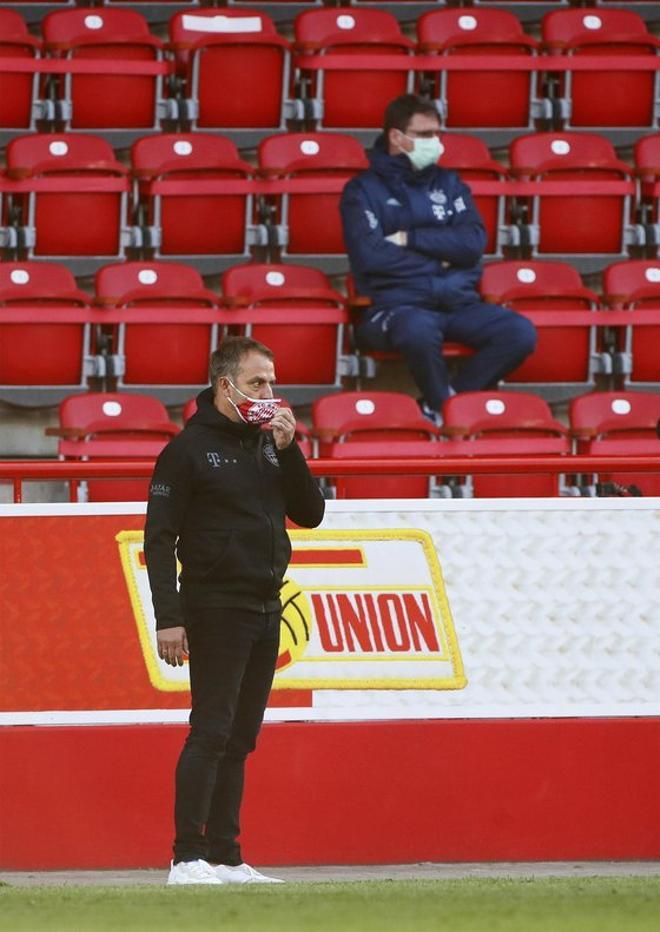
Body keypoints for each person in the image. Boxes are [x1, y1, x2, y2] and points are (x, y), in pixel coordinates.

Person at [144, 336, 325, 886]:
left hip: (267, 604)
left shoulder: (269, 445)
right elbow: (159, 538)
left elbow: (311, 514)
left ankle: (225, 855)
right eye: (257, 383)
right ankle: (186, 857)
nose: (269, 393)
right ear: (225, 386)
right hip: (214, 604)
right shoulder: (187, 450)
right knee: (211, 730)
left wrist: (291, 449)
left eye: (272, 382)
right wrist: (169, 617)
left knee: (242, 737)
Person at [340, 94, 537, 424]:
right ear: (396, 137)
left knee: (519, 332)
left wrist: (411, 239)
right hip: (396, 306)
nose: (435, 142)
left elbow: (473, 244)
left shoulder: (449, 183)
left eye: (437, 134)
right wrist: (441, 261)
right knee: (418, 326)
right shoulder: (362, 190)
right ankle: (446, 409)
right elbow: (372, 256)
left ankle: (442, 407)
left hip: (457, 304)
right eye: (425, 134)